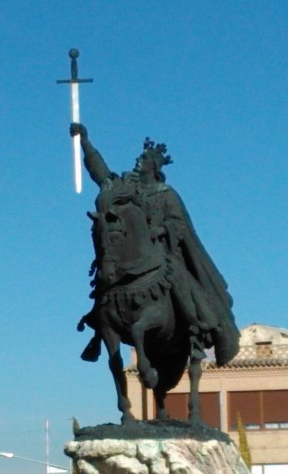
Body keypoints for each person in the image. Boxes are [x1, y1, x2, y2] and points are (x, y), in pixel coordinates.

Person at [70, 123, 238, 366]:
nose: (139, 159)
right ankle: (99, 328)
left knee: (180, 279)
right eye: (140, 156)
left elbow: (180, 225)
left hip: (162, 255)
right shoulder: (127, 188)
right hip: (129, 257)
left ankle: (198, 327)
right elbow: (102, 174)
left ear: (155, 166)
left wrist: (162, 228)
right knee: (105, 281)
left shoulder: (165, 193)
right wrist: (85, 143)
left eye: (145, 158)